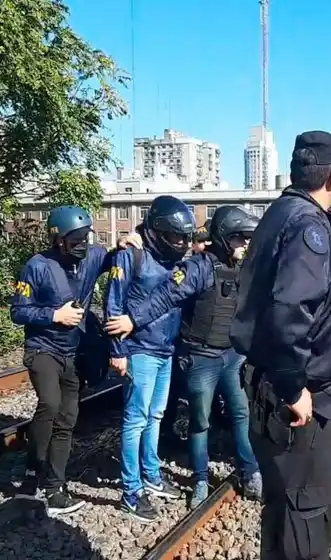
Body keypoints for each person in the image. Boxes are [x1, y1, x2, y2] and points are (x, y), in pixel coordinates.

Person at [229, 131, 331, 560]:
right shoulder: (307, 225)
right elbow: (289, 312)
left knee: (286, 512)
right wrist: (294, 388)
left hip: (284, 389)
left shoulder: (283, 213)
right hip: (300, 402)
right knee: (305, 516)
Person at [106, 205, 264, 509]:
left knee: (241, 413)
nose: (246, 244)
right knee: (199, 420)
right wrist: (132, 320)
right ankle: (201, 478)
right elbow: (166, 297)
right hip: (200, 358)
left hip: (230, 356)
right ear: (225, 236)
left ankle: (249, 468)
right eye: (241, 238)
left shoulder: (245, 267)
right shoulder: (197, 267)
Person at [11, 205, 118, 514]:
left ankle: (55, 486)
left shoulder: (93, 258)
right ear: (59, 239)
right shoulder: (38, 265)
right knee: (50, 404)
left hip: (72, 352)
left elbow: (115, 259)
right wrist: (54, 315)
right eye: (75, 239)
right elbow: (18, 311)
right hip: (42, 347)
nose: (83, 244)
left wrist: (130, 242)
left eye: (86, 237)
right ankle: (33, 472)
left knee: (68, 419)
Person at [104, 196, 194, 521]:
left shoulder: (173, 260)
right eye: (176, 237)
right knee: (135, 420)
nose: (181, 243)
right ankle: (131, 490)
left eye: (186, 238)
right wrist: (117, 350)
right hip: (139, 350)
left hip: (165, 350)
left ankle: (152, 474)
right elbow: (113, 304)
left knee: (155, 416)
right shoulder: (131, 255)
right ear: (157, 230)